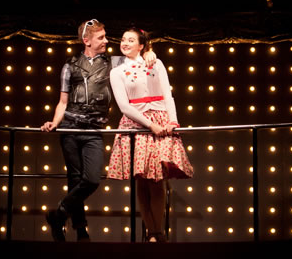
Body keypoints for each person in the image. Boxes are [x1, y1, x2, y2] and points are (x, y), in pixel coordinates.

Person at [41, 19, 156, 242]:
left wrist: (150, 53)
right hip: (70, 128)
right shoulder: (70, 64)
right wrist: (54, 122)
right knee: (75, 179)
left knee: (92, 179)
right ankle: (80, 229)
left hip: (94, 129)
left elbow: (138, 58)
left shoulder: (114, 63)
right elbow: (63, 101)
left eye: (105, 36)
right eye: (101, 37)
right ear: (87, 40)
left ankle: (60, 213)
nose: (106, 41)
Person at [107, 28, 194, 242]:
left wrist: (172, 120)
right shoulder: (116, 70)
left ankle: (158, 232)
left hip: (161, 121)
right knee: (142, 181)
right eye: (123, 39)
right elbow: (124, 106)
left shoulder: (155, 62)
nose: (125, 43)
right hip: (137, 123)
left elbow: (167, 94)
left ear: (142, 45)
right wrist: (149, 125)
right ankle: (152, 233)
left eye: (131, 40)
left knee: (156, 180)